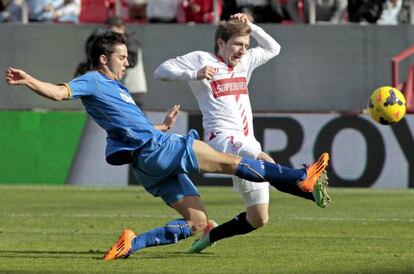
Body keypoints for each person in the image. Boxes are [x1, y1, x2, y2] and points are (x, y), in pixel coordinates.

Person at [5, 31, 329, 261]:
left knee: (198, 224)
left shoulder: (116, 89)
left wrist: (159, 126)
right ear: (103, 59)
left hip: (149, 163)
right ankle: (299, 177)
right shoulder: (93, 79)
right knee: (230, 161)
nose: (126, 61)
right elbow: (60, 93)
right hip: (157, 150)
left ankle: (133, 243)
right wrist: (29, 80)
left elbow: (126, 127)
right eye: (121, 56)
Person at [154, 13, 330, 254]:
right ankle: (304, 177)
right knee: (263, 160)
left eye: (246, 46)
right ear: (221, 43)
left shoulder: (245, 61)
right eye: (238, 44)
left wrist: (251, 27)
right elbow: (161, 71)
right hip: (221, 140)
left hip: (247, 139)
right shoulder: (201, 59)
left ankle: (211, 235)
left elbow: (274, 48)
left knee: (259, 218)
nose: (242, 50)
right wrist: (194, 74)